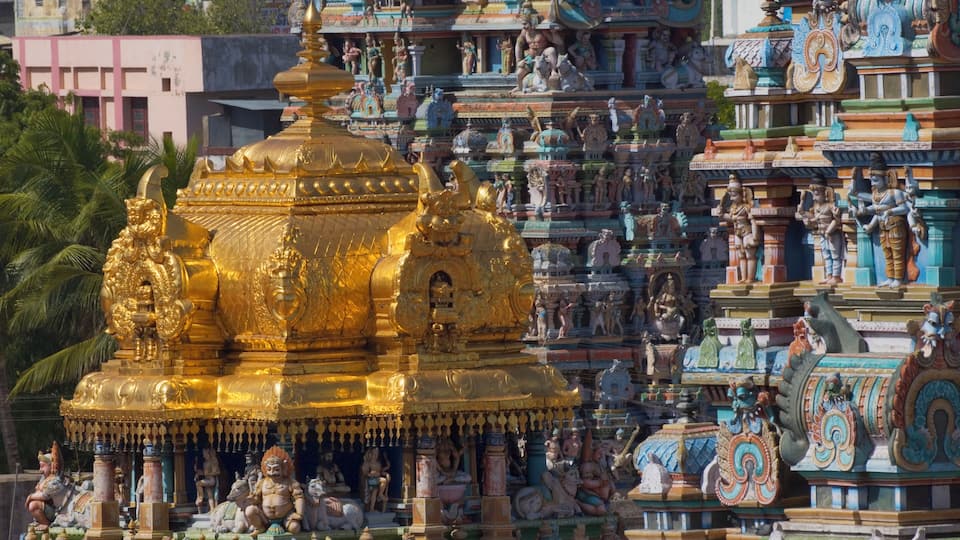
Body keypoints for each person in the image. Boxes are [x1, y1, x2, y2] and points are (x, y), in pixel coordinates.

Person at [796, 174, 844, 285]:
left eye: (817, 193)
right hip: (822, 234)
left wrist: (829, 231)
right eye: (813, 193)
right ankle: (829, 276)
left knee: (835, 255)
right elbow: (812, 217)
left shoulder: (830, 206)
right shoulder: (816, 207)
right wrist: (803, 211)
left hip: (832, 234)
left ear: (825, 193)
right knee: (826, 255)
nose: (814, 196)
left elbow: (836, 220)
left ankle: (836, 276)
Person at [245, 447, 305, 534]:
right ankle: (260, 527)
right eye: (269, 469)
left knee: (295, 528)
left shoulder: (290, 482)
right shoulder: (262, 483)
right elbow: (257, 498)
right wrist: (251, 499)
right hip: (265, 517)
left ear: (283, 468)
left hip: (286, 516)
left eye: (276, 469)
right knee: (250, 510)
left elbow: (299, 497)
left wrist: (299, 513)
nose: (272, 473)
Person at [720, 174, 760, 284]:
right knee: (741, 255)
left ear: (741, 194)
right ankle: (743, 277)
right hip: (737, 232)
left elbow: (752, 221)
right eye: (731, 196)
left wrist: (756, 236)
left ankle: (750, 278)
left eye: (734, 195)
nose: (732, 198)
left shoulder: (746, 207)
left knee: (749, 254)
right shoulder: (733, 208)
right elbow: (730, 219)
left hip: (747, 232)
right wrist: (722, 214)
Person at [26, 444, 64, 530]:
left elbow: (46, 496)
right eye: (40, 466)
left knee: (33, 505)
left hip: (57, 511)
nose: (40, 469)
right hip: (46, 508)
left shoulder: (55, 480)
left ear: (51, 466)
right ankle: (40, 521)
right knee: (33, 504)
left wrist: (30, 497)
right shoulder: (43, 479)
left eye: (43, 466)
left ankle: (45, 523)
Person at [361, 447, 391, 513]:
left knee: (375, 492)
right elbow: (365, 473)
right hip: (371, 480)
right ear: (370, 454)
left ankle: (379, 496)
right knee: (383, 480)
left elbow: (382, 471)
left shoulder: (378, 463)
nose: (376, 455)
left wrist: (386, 474)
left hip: (377, 480)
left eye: (377, 453)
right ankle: (379, 495)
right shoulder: (368, 463)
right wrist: (371, 474)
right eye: (374, 453)